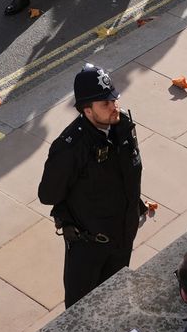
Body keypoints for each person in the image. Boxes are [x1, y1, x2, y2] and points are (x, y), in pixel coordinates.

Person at [39, 64, 145, 308]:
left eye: (114, 100)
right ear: (87, 110)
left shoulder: (123, 128)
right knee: (81, 310)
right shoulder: (71, 147)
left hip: (123, 237)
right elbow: (48, 194)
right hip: (89, 247)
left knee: (116, 301)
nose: (113, 107)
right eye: (104, 104)